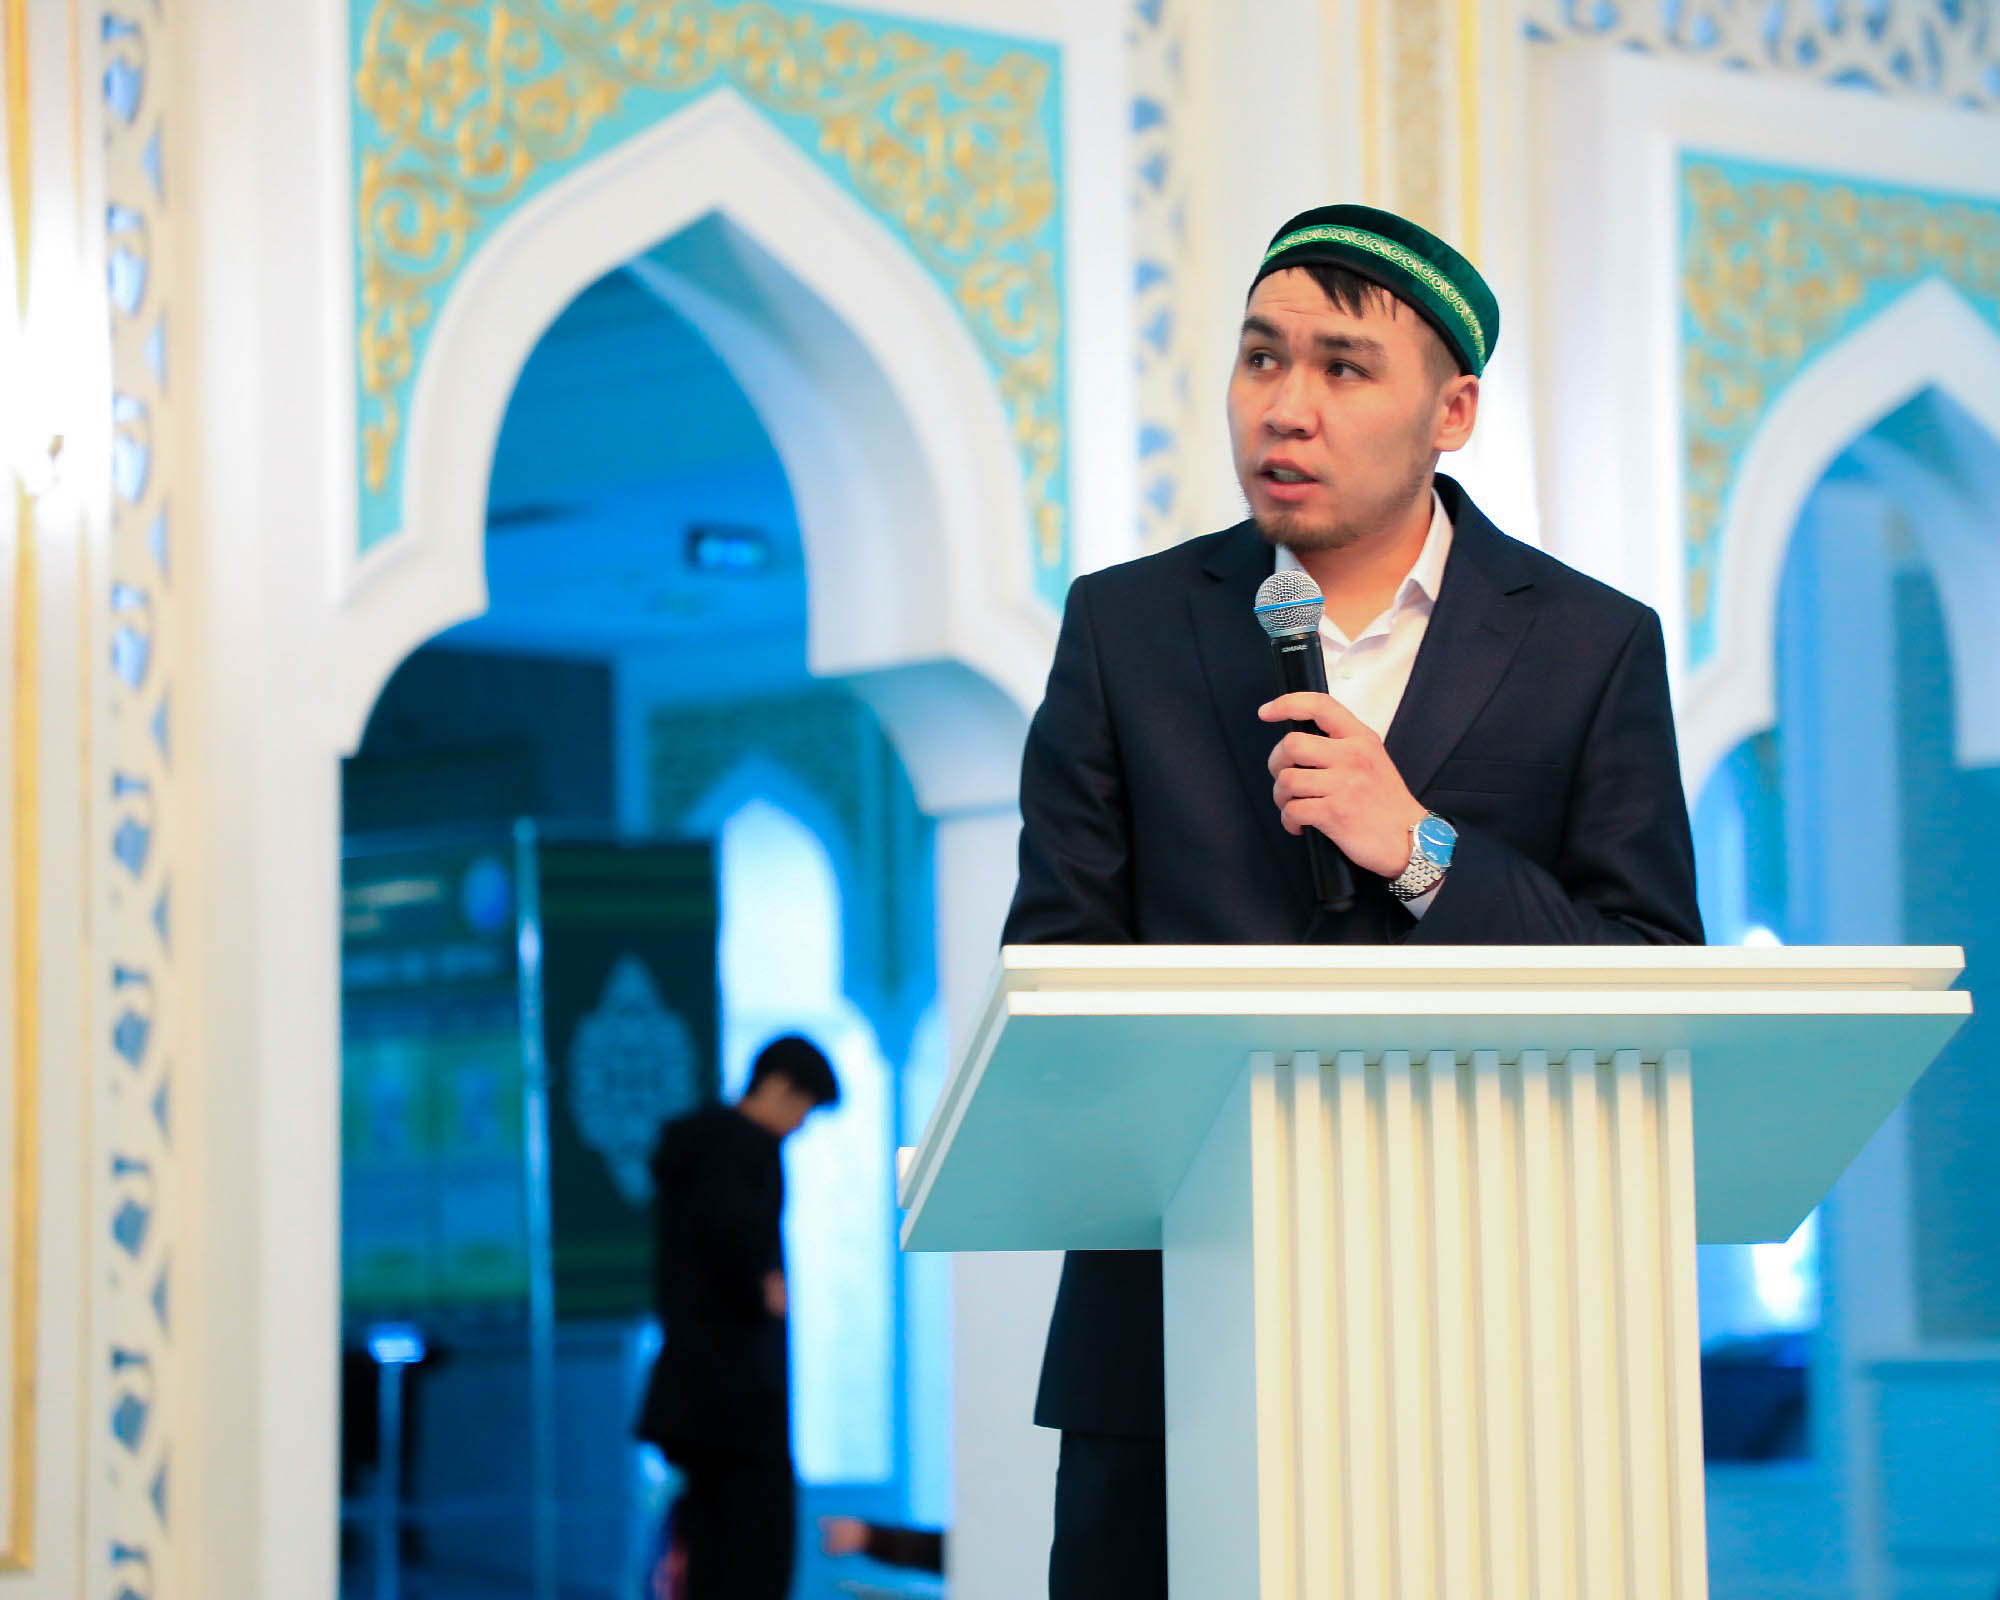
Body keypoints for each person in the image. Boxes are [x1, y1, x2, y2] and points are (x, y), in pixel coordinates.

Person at [1004, 202, 1705, 1597]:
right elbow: (1062, 975)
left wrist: (1421, 849)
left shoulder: (1589, 645)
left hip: (1493, 1334)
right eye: (1262, 358)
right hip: (1171, 1332)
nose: (1287, 406)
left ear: (1453, 412)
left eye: (1342, 367)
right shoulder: (1125, 626)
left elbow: (1649, 974)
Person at [635, 1034, 841, 1600]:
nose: (799, 1125)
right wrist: (762, 1284)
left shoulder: (693, 1147)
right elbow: (732, 1236)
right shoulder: (744, 1148)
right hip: (741, 1399)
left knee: (710, 1547)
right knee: (752, 1551)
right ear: (777, 1087)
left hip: (695, 1397)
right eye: (802, 1108)